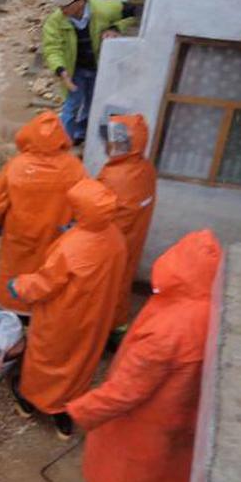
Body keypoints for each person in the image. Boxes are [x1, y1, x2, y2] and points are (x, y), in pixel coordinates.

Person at [66, 230, 222, 482]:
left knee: (129, 481)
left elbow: (127, 390)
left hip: (146, 425)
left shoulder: (169, 326)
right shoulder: (217, 313)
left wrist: (83, 410)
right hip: (188, 424)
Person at [6, 178, 127, 439]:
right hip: (95, 317)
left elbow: (45, 283)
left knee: (46, 358)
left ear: (81, 211)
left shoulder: (71, 246)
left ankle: (28, 402)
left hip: (63, 316)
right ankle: (64, 417)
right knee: (78, 362)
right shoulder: (116, 238)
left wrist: (19, 285)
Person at [0, 112, 86, 315]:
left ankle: (11, 307)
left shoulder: (17, 165)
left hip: (19, 234)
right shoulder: (74, 167)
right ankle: (39, 311)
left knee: (14, 269)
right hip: (56, 234)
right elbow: (84, 202)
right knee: (48, 272)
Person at [42, 0, 136, 144]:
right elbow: (52, 49)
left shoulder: (104, 9)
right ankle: (63, 142)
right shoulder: (55, 21)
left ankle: (80, 133)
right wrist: (61, 70)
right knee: (72, 104)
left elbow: (134, 14)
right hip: (75, 69)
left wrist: (115, 28)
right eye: (60, 5)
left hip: (98, 68)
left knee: (93, 102)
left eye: (66, 5)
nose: (61, 9)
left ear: (81, 1)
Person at [97, 114, 157, 332]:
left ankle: (103, 330)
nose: (107, 145)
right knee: (122, 282)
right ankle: (117, 326)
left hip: (108, 244)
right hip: (133, 238)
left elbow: (95, 209)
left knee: (105, 286)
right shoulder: (145, 169)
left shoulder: (114, 176)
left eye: (111, 141)